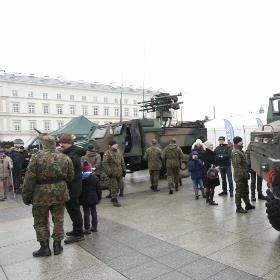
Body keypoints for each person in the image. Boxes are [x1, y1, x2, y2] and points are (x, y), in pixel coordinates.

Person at [22, 135, 74, 257]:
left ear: (43, 144)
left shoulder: (36, 157)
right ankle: (57, 245)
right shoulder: (64, 157)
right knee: (59, 220)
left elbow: (29, 179)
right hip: (60, 194)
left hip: (41, 194)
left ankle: (44, 248)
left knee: (40, 221)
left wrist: (26, 196)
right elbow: (70, 177)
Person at [59, 134, 86, 244]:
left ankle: (79, 234)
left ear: (69, 143)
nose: (61, 145)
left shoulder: (72, 156)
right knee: (73, 210)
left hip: (73, 187)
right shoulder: (71, 153)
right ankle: (76, 230)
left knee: (74, 210)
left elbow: (67, 174)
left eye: (63, 143)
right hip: (73, 186)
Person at [231, 136, 255, 214]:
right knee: (239, 192)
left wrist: (247, 171)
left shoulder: (241, 151)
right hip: (240, 176)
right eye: (241, 141)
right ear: (238, 142)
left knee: (245, 190)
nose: (242, 142)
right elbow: (237, 166)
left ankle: (247, 204)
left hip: (244, 175)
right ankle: (238, 207)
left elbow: (244, 164)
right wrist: (243, 174)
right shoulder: (236, 152)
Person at [80, 161, 102, 234]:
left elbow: (79, 190)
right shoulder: (95, 178)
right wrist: (99, 198)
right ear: (90, 169)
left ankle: (87, 228)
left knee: (86, 213)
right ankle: (94, 227)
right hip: (93, 198)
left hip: (84, 199)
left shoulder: (81, 179)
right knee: (94, 212)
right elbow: (98, 189)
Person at [102, 140, 126, 207]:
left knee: (120, 185)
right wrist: (109, 173)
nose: (116, 145)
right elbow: (105, 163)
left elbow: (122, 161)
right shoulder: (107, 153)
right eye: (114, 145)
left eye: (116, 144)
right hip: (113, 173)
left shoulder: (118, 151)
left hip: (119, 172)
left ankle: (114, 197)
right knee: (114, 186)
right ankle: (114, 200)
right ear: (110, 146)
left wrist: (124, 170)